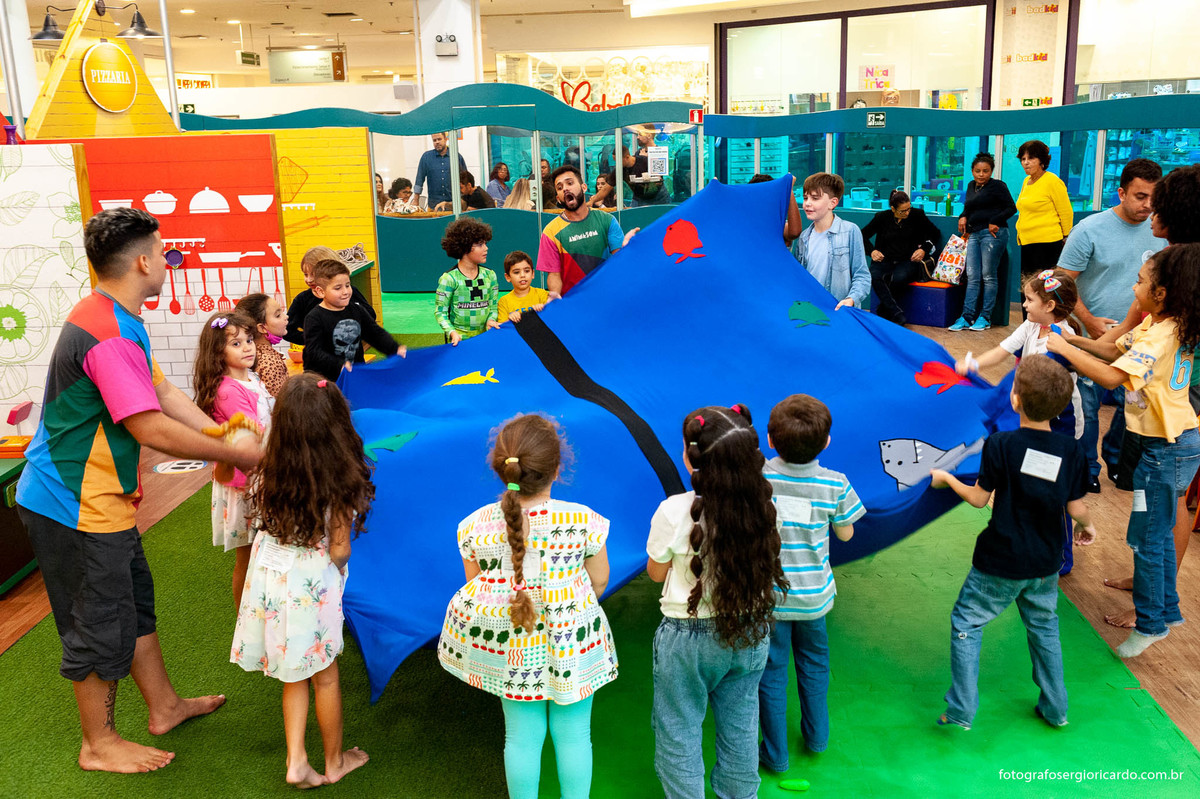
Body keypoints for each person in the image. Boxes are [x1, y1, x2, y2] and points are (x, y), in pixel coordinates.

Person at [15, 207, 261, 774]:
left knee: (135, 606)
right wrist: (235, 453)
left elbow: (164, 393)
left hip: (103, 500)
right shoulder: (106, 332)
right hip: (72, 505)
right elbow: (147, 428)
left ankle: (165, 707)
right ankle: (98, 743)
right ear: (144, 260)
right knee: (96, 623)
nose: (168, 258)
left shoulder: (120, 318)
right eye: (163, 249)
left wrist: (229, 431)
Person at [437, 414, 616, 799]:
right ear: (557, 468)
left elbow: (476, 588)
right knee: (573, 735)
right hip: (571, 639)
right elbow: (599, 579)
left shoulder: (473, 526)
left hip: (513, 643)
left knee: (520, 735)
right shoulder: (582, 521)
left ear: (502, 468)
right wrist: (571, 606)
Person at [1047, 245, 1200, 657]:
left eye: (1140, 282)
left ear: (1163, 292)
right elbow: (1114, 350)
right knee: (1156, 535)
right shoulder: (1159, 322)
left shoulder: (1164, 335)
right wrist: (1074, 338)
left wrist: (1067, 352)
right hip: (1170, 445)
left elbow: (1113, 377)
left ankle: (1150, 623)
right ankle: (1166, 612)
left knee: (1147, 537)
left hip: (1165, 451)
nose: (1134, 289)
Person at [931, 355, 1095, 730]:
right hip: (1045, 561)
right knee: (1044, 627)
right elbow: (1076, 505)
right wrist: (1089, 527)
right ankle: (1056, 709)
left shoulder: (1001, 444)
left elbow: (978, 498)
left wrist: (946, 479)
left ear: (1015, 400)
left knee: (967, 622)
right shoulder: (1070, 451)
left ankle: (961, 710)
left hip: (1000, 559)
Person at [231, 373, 372, 788]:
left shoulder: (266, 469)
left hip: (271, 575)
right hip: (311, 580)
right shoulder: (340, 478)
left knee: (293, 673)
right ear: (336, 423)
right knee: (324, 674)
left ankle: (297, 760)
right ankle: (334, 761)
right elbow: (340, 549)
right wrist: (341, 568)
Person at [646, 404, 786, 799]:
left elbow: (657, 573)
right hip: (751, 630)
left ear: (691, 458)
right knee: (741, 727)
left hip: (687, 639)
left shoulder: (673, 511)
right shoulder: (765, 504)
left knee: (678, 731)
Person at [758, 395, 864, 773]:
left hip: (769, 598)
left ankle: (774, 754)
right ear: (826, 442)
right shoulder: (835, 484)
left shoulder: (759, 480)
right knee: (815, 664)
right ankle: (817, 737)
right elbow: (848, 534)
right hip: (815, 597)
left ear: (770, 440)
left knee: (771, 672)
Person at [956, 269, 1087, 575]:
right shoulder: (1031, 326)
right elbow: (1002, 351)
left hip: (1059, 425)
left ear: (1049, 306)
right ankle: (1027, 540)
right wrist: (972, 364)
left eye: (1029, 299)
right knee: (1030, 482)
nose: (1024, 305)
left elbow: (1031, 380)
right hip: (1033, 418)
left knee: (1056, 491)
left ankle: (1062, 556)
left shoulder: (1063, 340)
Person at [1058, 158, 1164, 489]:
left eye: (1153, 199)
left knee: (1131, 408)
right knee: (1087, 411)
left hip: (1141, 343)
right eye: (1140, 196)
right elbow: (1057, 282)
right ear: (1121, 192)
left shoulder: (1162, 232)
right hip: (1094, 339)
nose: (1147, 206)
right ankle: (1088, 468)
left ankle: (1116, 460)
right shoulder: (1089, 230)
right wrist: (1088, 323)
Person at [192, 310, 273, 608]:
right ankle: (244, 617)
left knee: (260, 550)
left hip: (259, 474)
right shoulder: (228, 390)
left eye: (249, 340)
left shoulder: (251, 377)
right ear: (218, 351)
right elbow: (253, 432)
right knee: (248, 554)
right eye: (236, 344)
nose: (248, 347)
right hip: (245, 484)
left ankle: (260, 609)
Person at [536, 166, 637, 296]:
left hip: (606, 295)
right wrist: (555, 295)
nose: (565, 188)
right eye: (560, 188)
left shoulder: (607, 220)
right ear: (558, 199)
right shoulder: (550, 232)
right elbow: (554, 275)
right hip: (573, 302)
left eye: (570, 183)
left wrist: (626, 248)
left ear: (584, 187)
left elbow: (621, 261)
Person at [303, 259, 404, 381]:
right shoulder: (314, 318)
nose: (345, 292)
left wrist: (395, 349)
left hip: (354, 376)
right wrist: (338, 365)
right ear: (320, 291)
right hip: (325, 382)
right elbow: (314, 351)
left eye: (347, 285)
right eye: (338, 288)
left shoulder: (357, 310)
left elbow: (375, 334)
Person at [951, 152, 1017, 332]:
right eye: (978, 171)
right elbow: (968, 207)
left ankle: (985, 317)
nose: (981, 174)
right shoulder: (972, 186)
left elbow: (1012, 208)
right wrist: (963, 216)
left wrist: (995, 221)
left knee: (988, 276)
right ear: (972, 171)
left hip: (992, 234)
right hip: (974, 233)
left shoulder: (998, 186)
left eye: (986, 171)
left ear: (991, 171)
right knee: (972, 276)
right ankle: (966, 316)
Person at [861, 189, 941, 326]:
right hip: (884, 259)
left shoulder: (917, 215)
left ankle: (883, 310)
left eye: (908, 209)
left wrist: (923, 249)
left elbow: (935, 233)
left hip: (908, 260)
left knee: (899, 278)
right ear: (893, 209)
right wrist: (872, 251)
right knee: (874, 275)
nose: (907, 213)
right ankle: (896, 312)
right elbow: (862, 235)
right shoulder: (882, 217)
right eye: (903, 211)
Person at [792, 172, 871, 311]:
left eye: (815, 198)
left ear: (833, 202)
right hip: (812, 310)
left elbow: (862, 276)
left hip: (840, 312)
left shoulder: (850, 231)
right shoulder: (804, 237)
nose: (807, 203)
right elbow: (799, 279)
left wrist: (851, 299)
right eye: (805, 198)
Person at [284, 247, 375, 345]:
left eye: (313, 275)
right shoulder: (302, 299)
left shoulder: (348, 293)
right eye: (306, 274)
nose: (309, 279)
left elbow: (370, 316)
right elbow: (287, 330)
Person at [436, 216, 501, 345]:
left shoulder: (490, 275)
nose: (486, 248)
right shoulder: (449, 279)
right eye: (480, 244)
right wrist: (452, 332)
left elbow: (493, 307)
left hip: (485, 339)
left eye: (485, 243)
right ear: (464, 246)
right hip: (459, 342)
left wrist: (491, 320)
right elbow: (440, 312)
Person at [1015, 139, 1074, 280]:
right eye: (1023, 159)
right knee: (1028, 285)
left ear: (1041, 160)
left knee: (1043, 286)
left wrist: (1066, 237)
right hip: (1027, 242)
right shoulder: (1026, 181)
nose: (1026, 162)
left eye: (1031, 158)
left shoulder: (1052, 181)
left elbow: (1066, 212)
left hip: (1047, 243)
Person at [235, 292, 290, 398]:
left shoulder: (254, 354)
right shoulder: (270, 362)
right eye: (278, 315)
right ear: (261, 328)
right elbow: (280, 404)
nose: (286, 317)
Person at [497, 250, 557, 324]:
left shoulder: (542, 294)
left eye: (527, 271)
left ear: (533, 274)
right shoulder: (504, 302)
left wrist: (543, 309)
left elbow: (553, 317)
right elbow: (502, 328)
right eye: (516, 272)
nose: (522, 275)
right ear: (508, 277)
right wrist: (510, 319)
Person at [413, 131, 468, 209]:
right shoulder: (426, 157)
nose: (437, 142)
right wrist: (416, 199)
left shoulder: (456, 156)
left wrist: (465, 200)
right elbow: (419, 179)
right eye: (434, 140)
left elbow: (465, 179)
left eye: (439, 139)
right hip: (433, 206)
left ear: (445, 139)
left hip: (453, 206)